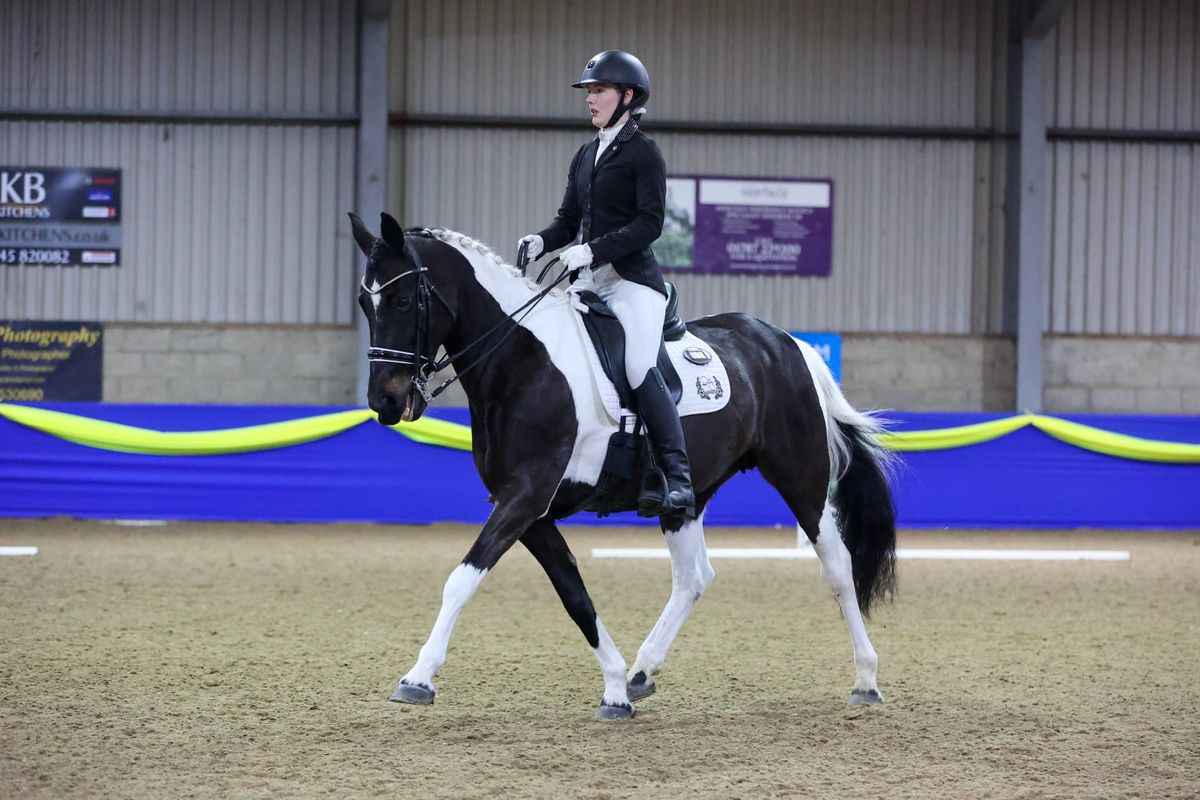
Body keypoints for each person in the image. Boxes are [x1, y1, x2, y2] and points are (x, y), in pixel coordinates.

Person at [518, 50, 695, 520]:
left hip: (633, 283)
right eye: (589, 91)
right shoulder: (585, 154)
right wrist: (542, 240)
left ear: (628, 96)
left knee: (638, 365)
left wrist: (593, 250)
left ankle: (676, 478)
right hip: (587, 284)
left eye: (599, 90)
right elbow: (568, 220)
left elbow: (650, 224)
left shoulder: (644, 152)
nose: (590, 99)